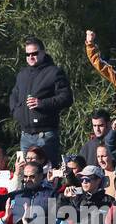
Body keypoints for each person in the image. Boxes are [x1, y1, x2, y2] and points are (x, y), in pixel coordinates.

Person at [10, 37, 73, 169]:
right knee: (25, 175)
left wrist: (42, 103)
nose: (31, 57)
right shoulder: (22, 74)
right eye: (28, 54)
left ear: (43, 53)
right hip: (25, 135)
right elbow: (13, 97)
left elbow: (66, 98)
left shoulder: (54, 72)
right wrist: (17, 112)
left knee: (48, 174)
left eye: (34, 53)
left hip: (45, 136)